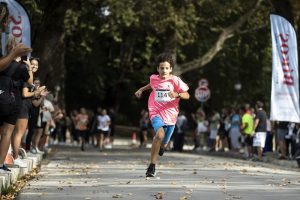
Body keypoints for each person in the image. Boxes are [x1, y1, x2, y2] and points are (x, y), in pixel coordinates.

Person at [135, 52, 190, 177]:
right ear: (157, 69)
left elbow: (187, 95)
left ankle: (163, 146)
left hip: (171, 115)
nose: (164, 70)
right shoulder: (154, 78)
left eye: (166, 68)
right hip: (156, 111)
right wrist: (141, 90)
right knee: (159, 135)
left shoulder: (175, 80)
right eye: (161, 68)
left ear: (170, 69)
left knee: (164, 142)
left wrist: (178, 94)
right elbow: (152, 85)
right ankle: (152, 166)